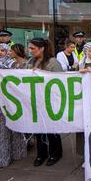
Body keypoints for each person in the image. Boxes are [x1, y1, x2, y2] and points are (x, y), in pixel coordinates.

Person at [26, 38, 64, 166]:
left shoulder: (52, 62)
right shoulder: (30, 62)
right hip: (35, 101)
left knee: (52, 128)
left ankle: (56, 153)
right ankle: (41, 154)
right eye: (29, 48)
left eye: (33, 48)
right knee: (38, 128)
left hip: (50, 101)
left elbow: (61, 81)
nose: (30, 51)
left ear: (41, 48)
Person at [0, 86, 27, 168]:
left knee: (2, 135)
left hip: (3, 111)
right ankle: (16, 153)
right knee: (15, 132)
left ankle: (3, 158)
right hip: (16, 109)